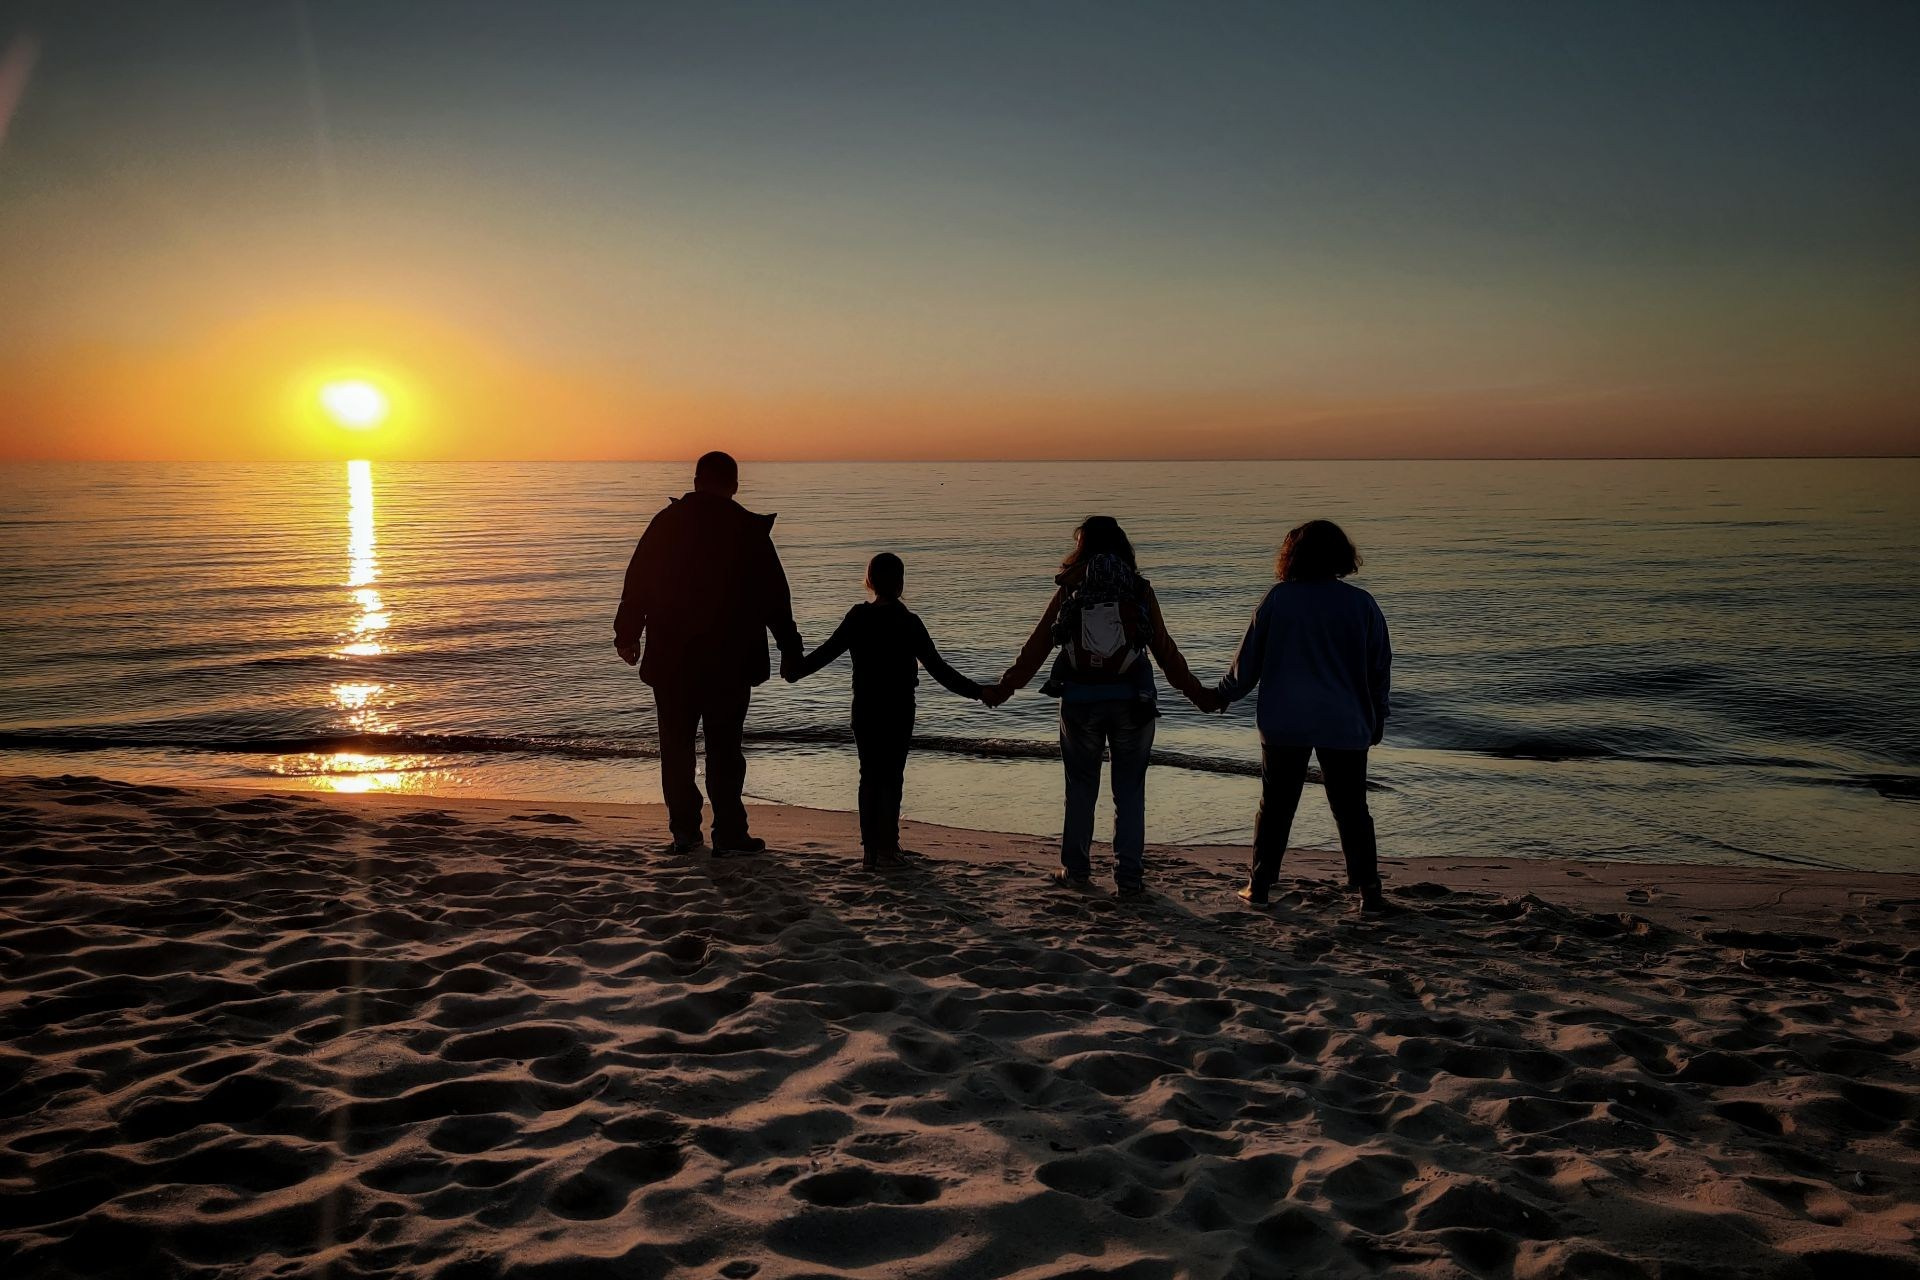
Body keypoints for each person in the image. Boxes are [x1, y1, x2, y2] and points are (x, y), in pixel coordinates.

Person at [981, 516, 1216, 900]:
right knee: (1130, 791)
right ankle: (1129, 878)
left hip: (1080, 703)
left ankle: (1075, 871)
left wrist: (1005, 688)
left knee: (1081, 789)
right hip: (1133, 704)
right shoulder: (1138, 590)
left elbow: (1038, 646)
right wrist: (1199, 694)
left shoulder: (1071, 589)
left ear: (1082, 549)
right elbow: (1165, 652)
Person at [614, 451, 801, 856]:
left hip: (673, 660)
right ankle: (729, 832)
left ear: (697, 480)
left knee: (676, 749)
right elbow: (775, 597)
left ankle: (685, 832)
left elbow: (638, 582)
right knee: (725, 750)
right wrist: (790, 648)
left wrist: (627, 635)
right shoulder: (746, 530)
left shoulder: (667, 524)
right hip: (729, 662)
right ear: (733, 485)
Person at [1212, 519, 1395, 913]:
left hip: (1285, 721)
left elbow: (1247, 666)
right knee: (1351, 808)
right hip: (1344, 723)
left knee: (1276, 804)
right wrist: (1378, 716)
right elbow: (1379, 668)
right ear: (1341, 556)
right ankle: (1369, 892)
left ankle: (1259, 885)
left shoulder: (1278, 600)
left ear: (1292, 557)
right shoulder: (1361, 604)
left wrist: (1220, 696)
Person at [786, 553, 987, 869]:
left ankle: (871, 851)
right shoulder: (908, 622)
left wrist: (795, 670)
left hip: (865, 708)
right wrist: (979, 693)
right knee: (891, 777)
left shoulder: (857, 617)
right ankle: (888, 848)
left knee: (869, 776)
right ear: (901, 583)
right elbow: (939, 669)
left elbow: (825, 653)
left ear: (869, 582)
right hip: (898, 710)